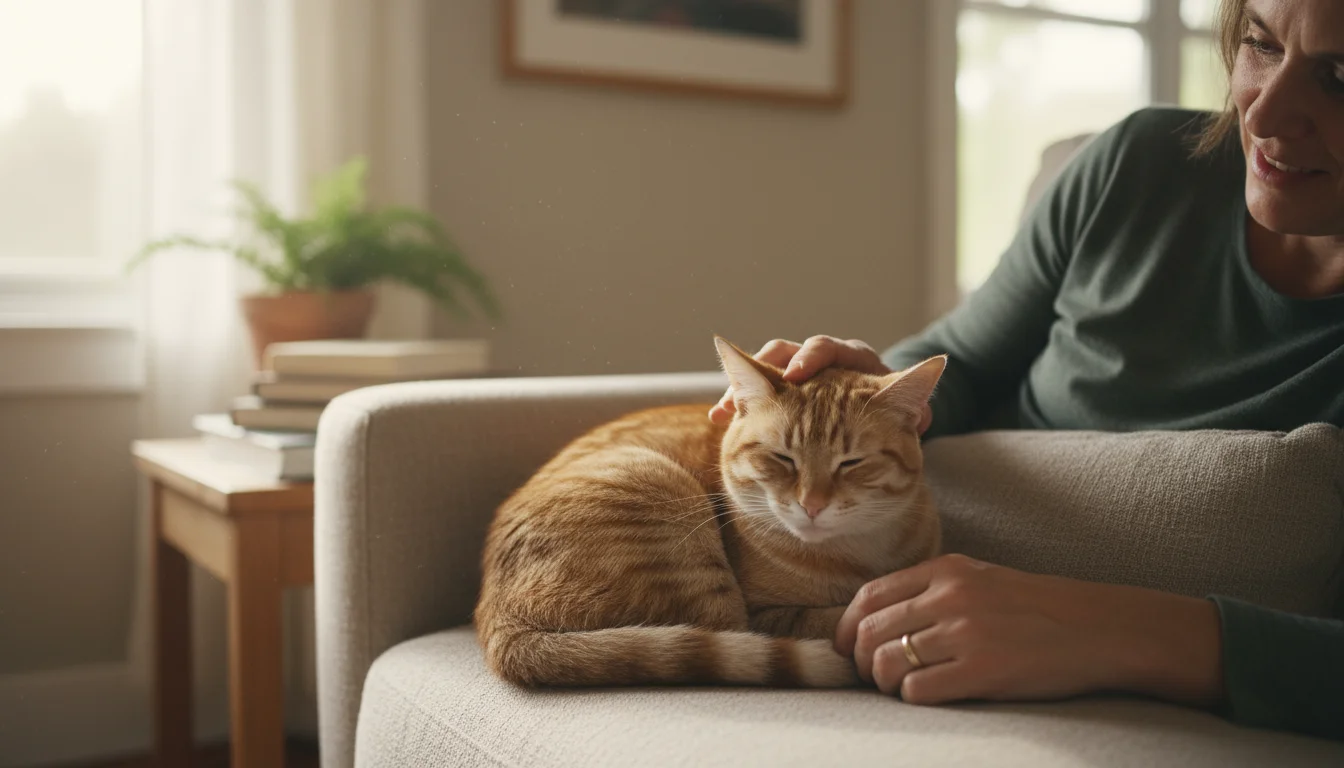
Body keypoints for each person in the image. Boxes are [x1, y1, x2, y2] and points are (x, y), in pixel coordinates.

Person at [707, 0, 1343, 742]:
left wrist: (1104, 629)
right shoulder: (1137, 163)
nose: (1264, 116)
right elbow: (966, 359)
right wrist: (874, 392)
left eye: (1339, 77)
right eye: (1260, 45)